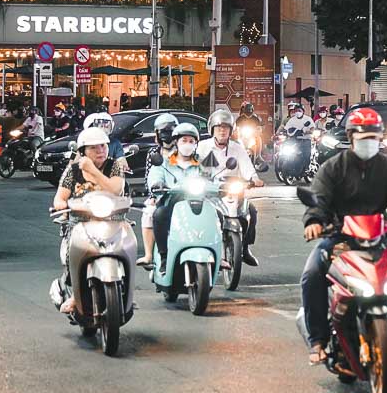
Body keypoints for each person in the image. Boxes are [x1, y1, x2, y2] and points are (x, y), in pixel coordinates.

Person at [300, 107, 387, 364]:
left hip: (378, 237)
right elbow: (318, 198)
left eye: (373, 137)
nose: (368, 142)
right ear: (351, 137)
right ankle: (318, 341)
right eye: (362, 136)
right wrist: (314, 221)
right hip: (339, 237)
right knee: (312, 275)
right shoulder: (334, 167)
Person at [50, 126, 127, 313]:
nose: (100, 150)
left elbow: (115, 190)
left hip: (112, 219)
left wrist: (93, 170)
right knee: (70, 253)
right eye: (93, 148)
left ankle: (125, 289)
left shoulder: (114, 165)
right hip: (80, 221)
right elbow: (60, 197)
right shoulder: (73, 170)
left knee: (127, 247)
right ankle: (75, 295)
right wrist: (61, 204)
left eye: (103, 146)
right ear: (83, 151)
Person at [197, 107, 263, 267]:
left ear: (231, 130)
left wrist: (255, 178)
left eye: (225, 127)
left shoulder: (237, 148)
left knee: (251, 212)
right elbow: (193, 166)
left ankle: (245, 248)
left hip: (232, 191)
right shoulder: (202, 147)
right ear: (212, 129)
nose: (222, 131)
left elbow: (247, 167)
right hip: (210, 193)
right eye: (219, 127)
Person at [139, 122, 203, 269]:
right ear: (177, 142)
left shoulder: (203, 160)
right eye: (184, 141)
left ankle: (219, 254)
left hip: (199, 204)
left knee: (218, 214)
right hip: (171, 204)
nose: (187, 144)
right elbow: (154, 177)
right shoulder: (164, 163)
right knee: (159, 215)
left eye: (191, 141)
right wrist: (157, 184)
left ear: (196, 144)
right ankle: (164, 256)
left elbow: (214, 175)